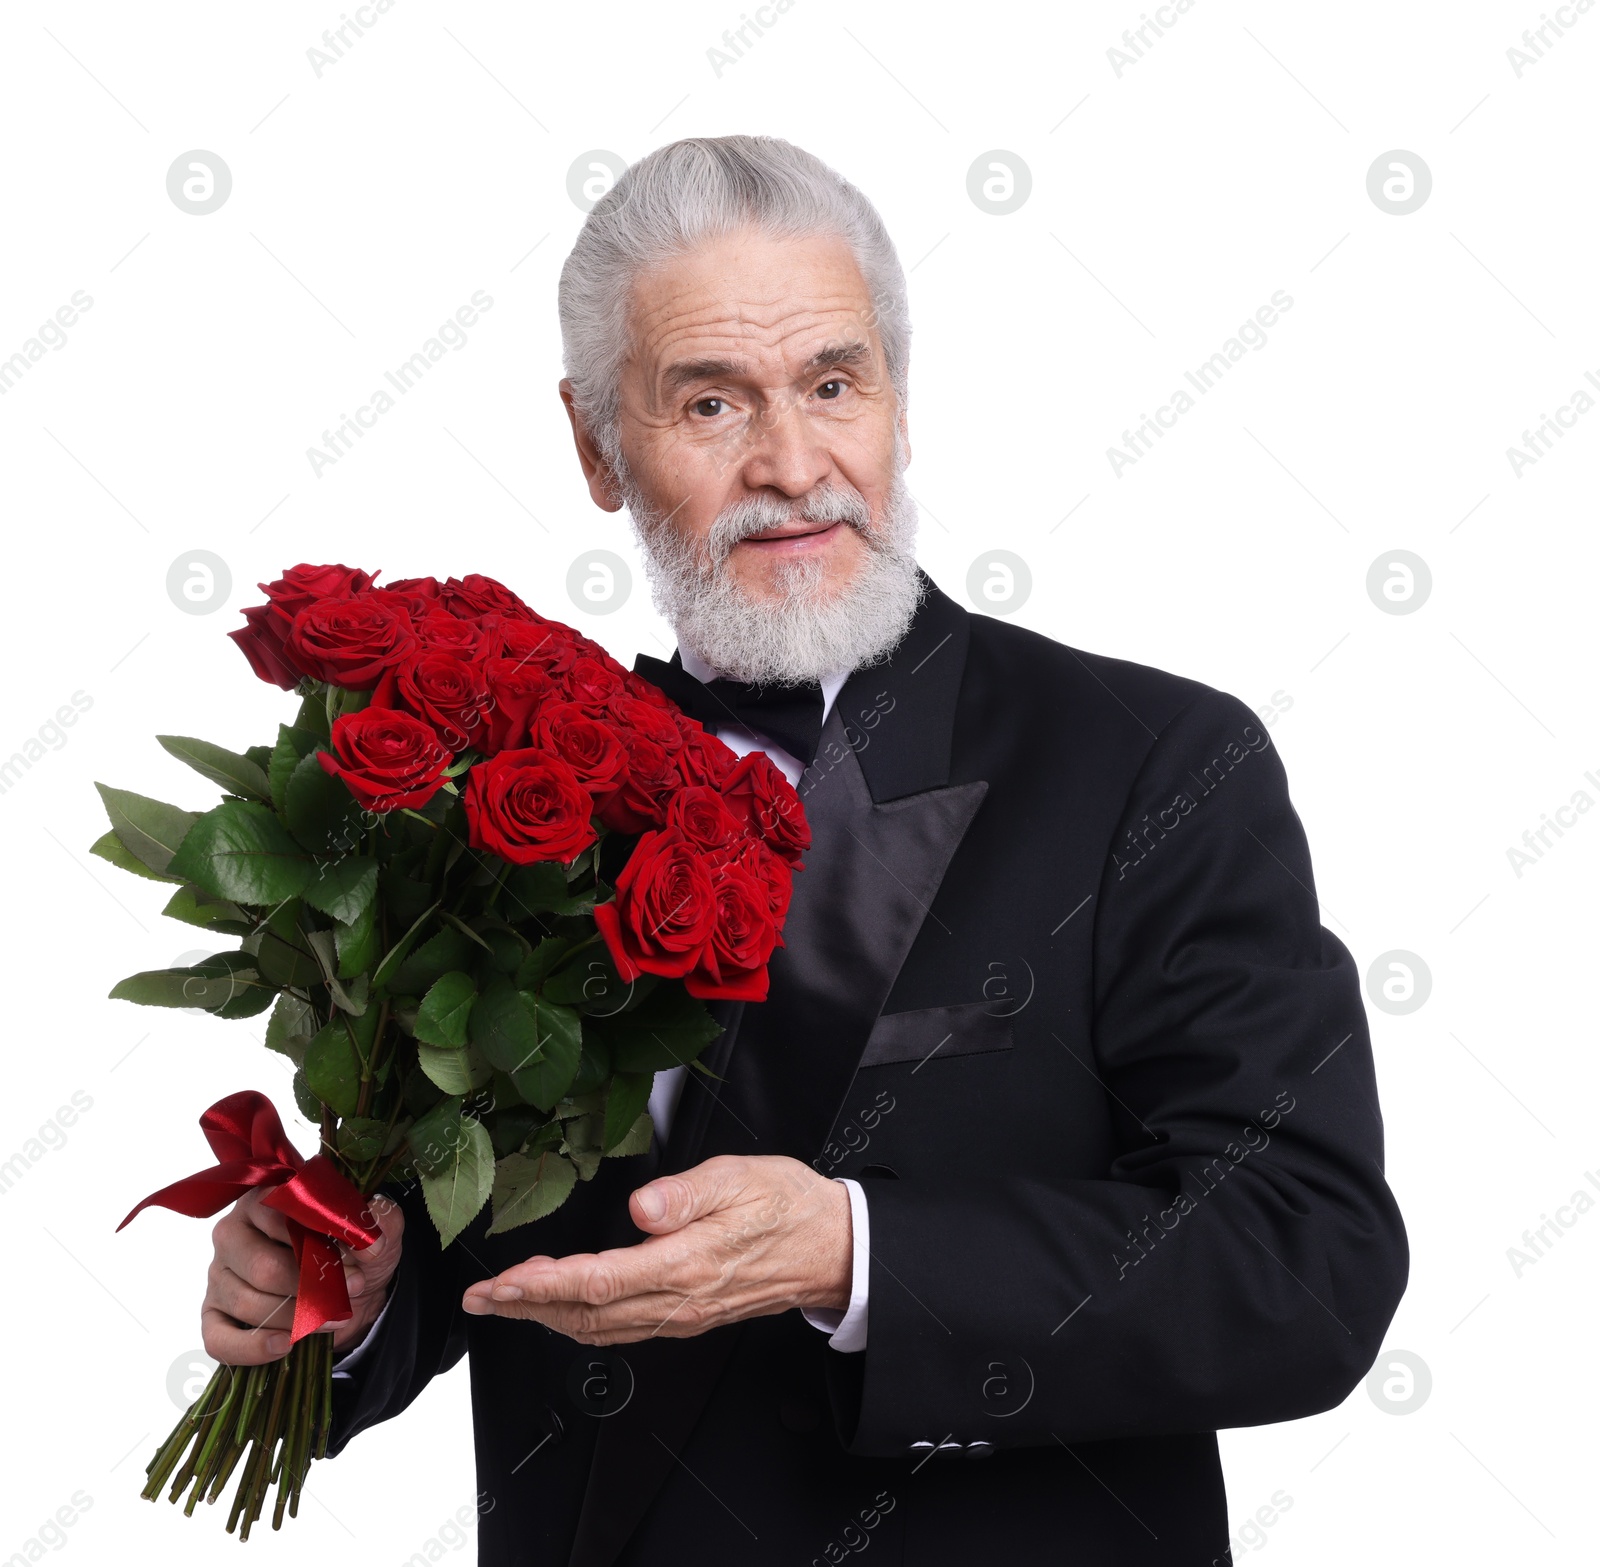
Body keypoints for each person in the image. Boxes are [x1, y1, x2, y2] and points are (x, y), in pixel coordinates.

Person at [200, 135, 1408, 1566]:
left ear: (896, 400)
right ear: (596, 444)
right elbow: (465, 1238)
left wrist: (857, 1252)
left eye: (833, 384)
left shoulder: (1151, 763)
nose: (791, 464)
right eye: (708, 401)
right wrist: (347, 1297)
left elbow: (1305, 1264)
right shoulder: (507, 788)